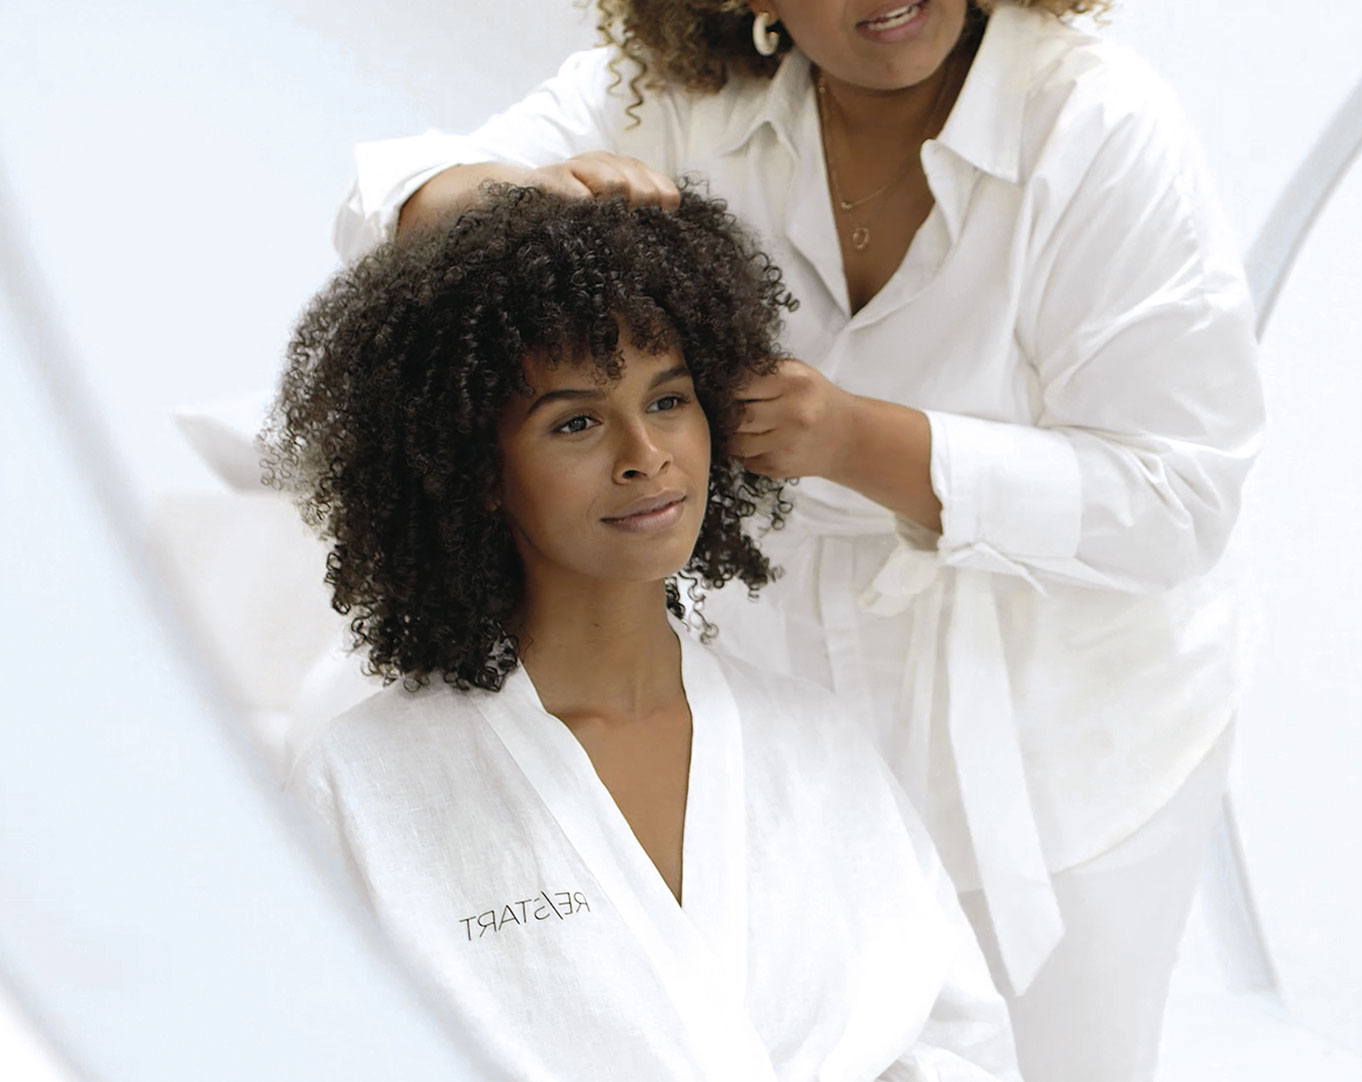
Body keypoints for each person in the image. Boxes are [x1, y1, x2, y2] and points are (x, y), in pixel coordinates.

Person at [332, 2, 1265, 1078]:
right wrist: (500, 196)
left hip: (1063, 724)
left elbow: (1178, 495)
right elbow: (390, 202)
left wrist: (858, 439)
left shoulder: (1095, 126)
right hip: (790, 692)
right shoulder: (674, 98)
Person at [267, 186, 1019, 1080]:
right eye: (576, 422)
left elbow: (956, 1040)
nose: (645, 454)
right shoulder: (367, 785)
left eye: (669, 401)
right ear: (477, 472)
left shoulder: (815, 744)